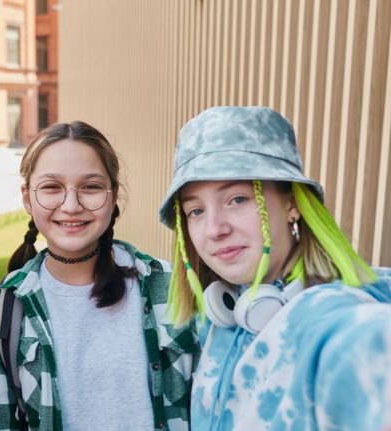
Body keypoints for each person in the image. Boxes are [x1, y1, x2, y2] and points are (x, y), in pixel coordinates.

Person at [159, 106, 391, 430]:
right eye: (195, 210)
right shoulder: (220, 319)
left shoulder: (326, 317)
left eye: (237, 199)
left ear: (292, 204)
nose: (214, 229)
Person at [0, 121, 199, 431]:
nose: (71, 206)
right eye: (52, 187)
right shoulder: (2, 310)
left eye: (90, 187)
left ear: (113, 194)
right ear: (27, 198)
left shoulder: (172, 286)